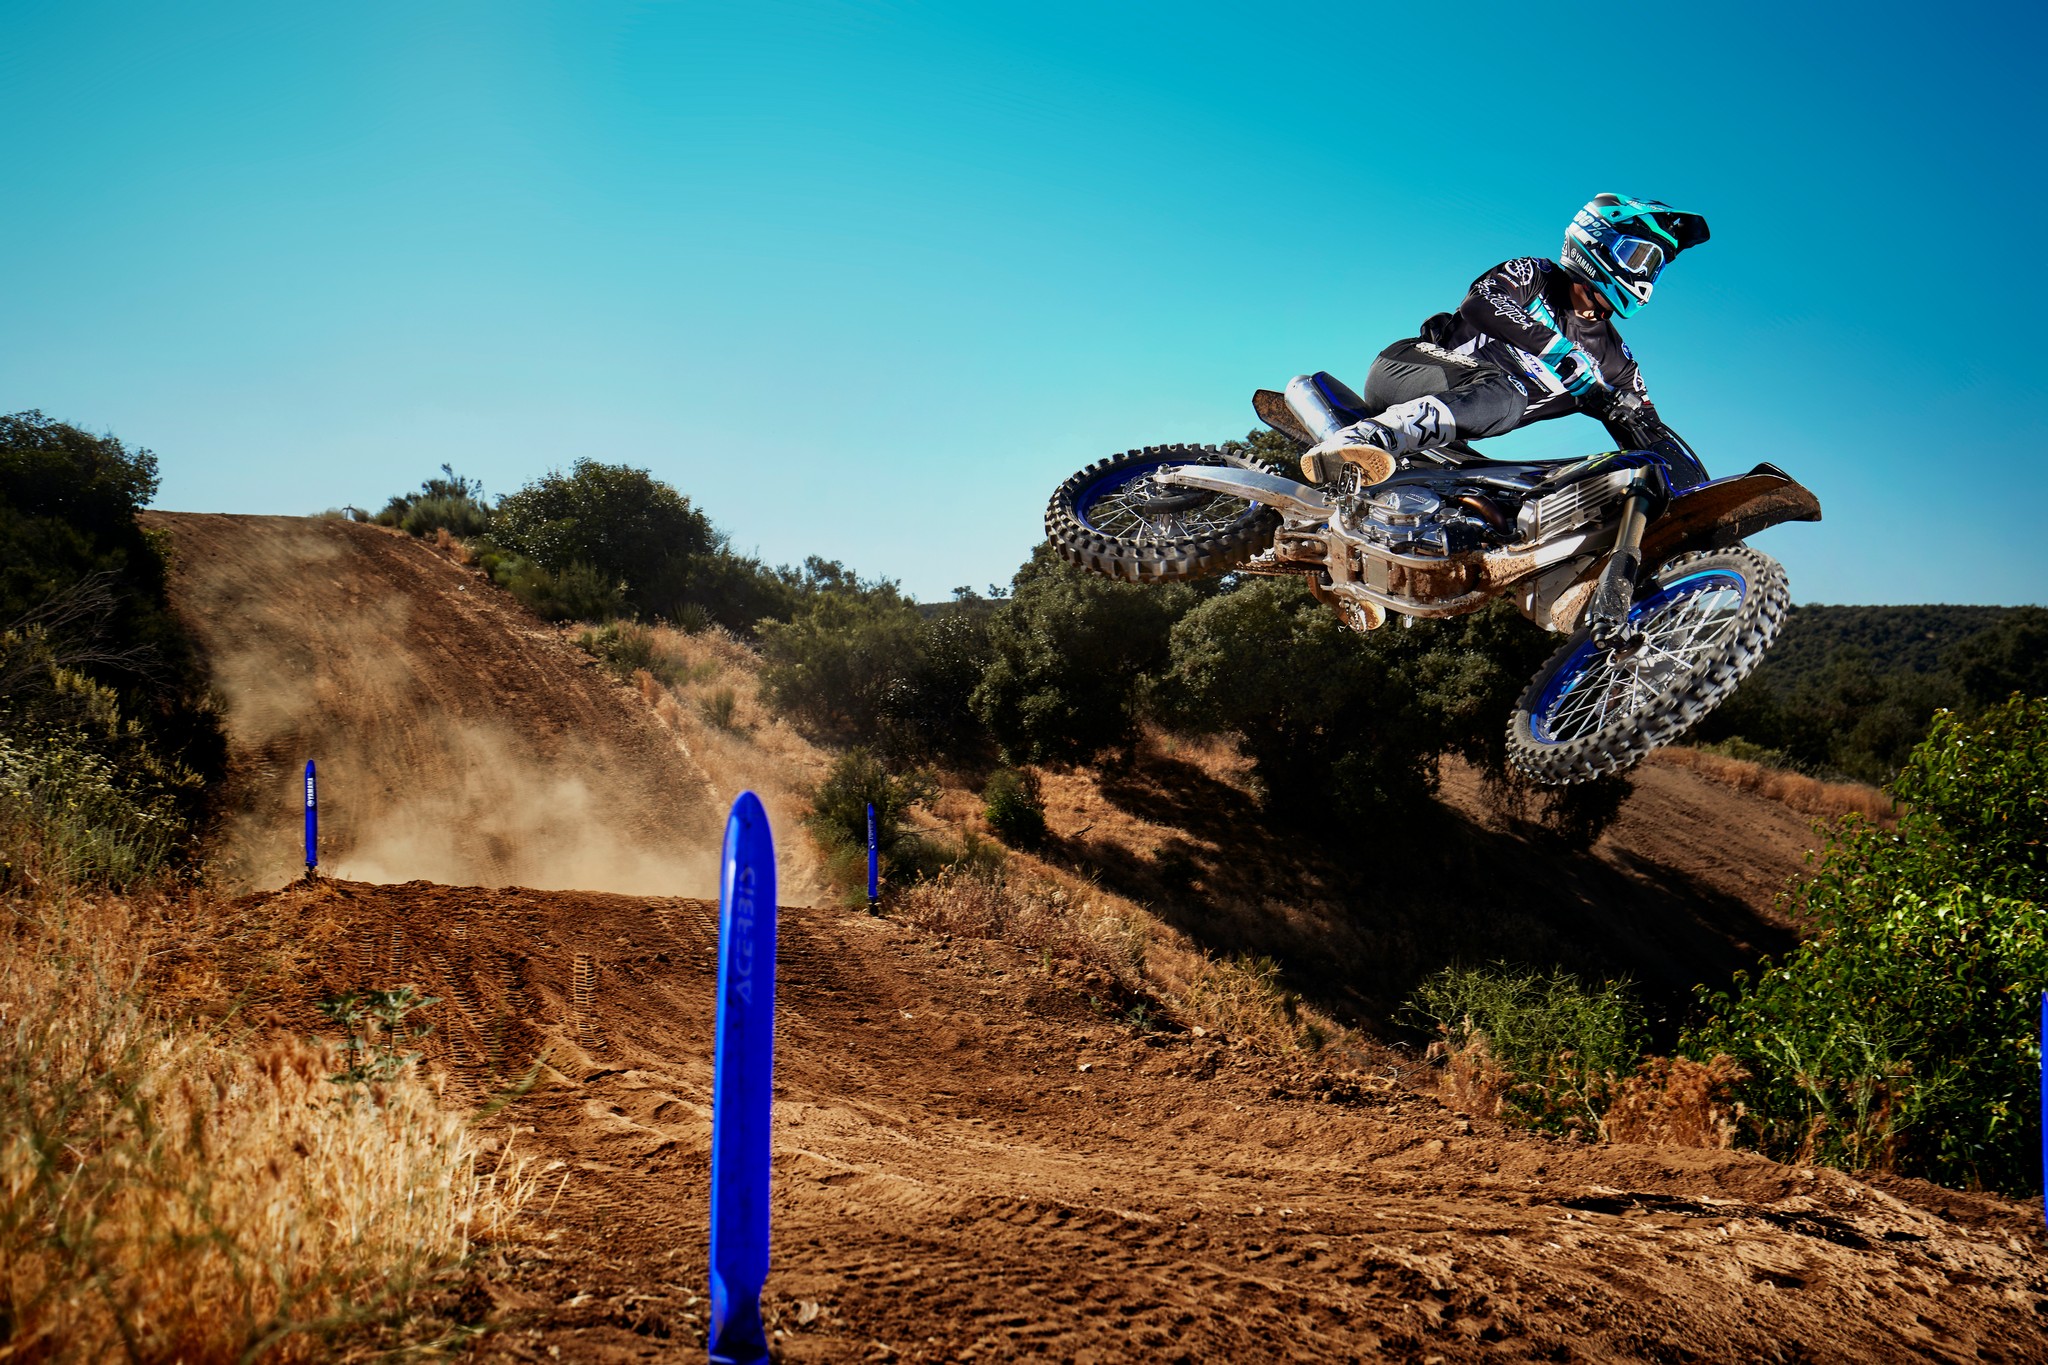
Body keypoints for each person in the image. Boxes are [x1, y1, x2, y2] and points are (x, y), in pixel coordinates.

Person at [1299, 194, 1711, 487]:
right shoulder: (1536, 274)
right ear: (1597, 239)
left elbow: (1652, 432)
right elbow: (1480, 303)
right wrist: (1559, 351)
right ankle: (1360, 440)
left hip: (1455, 435)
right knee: (1507, 391)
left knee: (1520, 491)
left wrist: (1701, 508)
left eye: (1654, 267)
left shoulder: (1616, 362)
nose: (1644, 275)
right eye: (1639, 257)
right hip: (1408, 368)